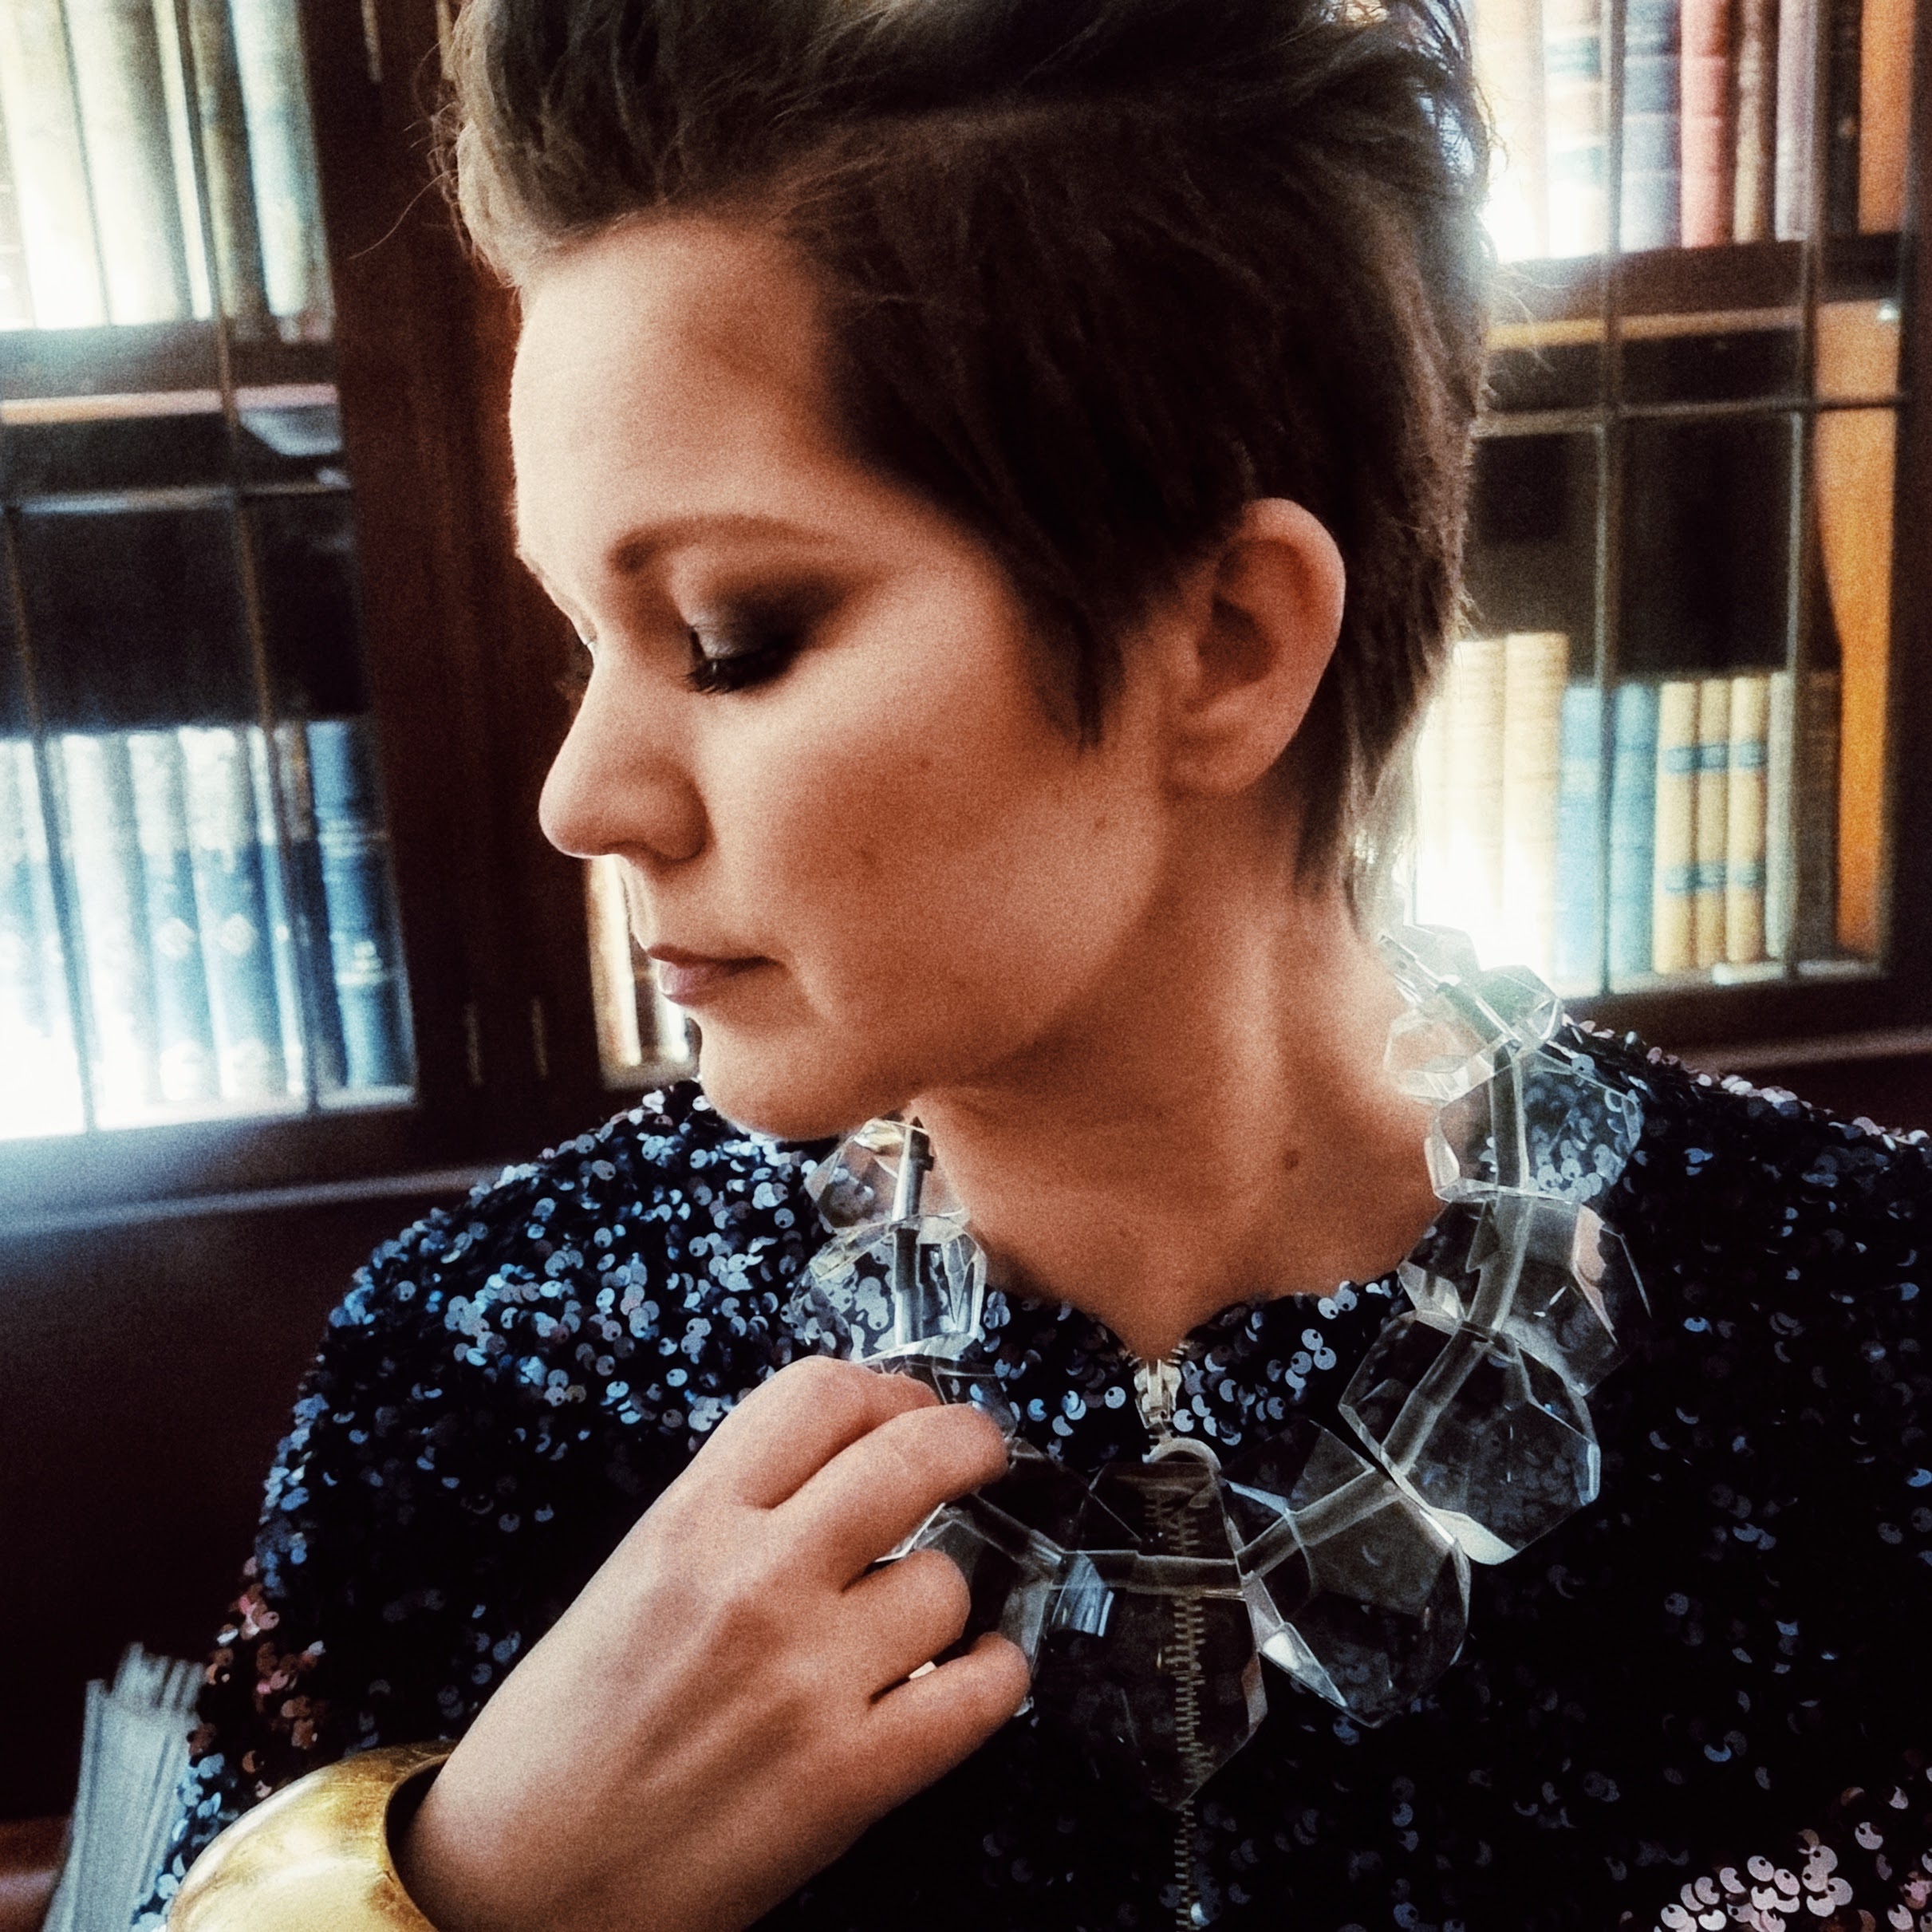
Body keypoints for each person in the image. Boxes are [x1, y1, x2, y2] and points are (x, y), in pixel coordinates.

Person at [137, 0, 1932, 1926]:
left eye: (732, 636)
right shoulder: (477, 1365)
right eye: (586, 636)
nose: (582, 796)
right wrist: (475, 1881)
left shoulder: (1864, 1327)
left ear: (1226, 640)